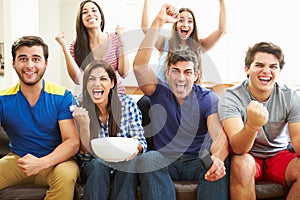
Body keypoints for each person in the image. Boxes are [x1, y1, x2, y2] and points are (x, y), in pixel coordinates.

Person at [133, 4, 229, 200]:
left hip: (196, 160)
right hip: (165, 160)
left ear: (196, 75)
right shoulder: (158, 92)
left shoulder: (207, 98)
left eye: (187, 72)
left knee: (219, 165)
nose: (180, 78)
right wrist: (159, 21)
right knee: (149, 158)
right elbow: (140, 66)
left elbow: (219, 137)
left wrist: (217, 159)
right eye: (175, 71)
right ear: (167, 73)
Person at [72, 60, 175, 200]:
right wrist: (84, 126)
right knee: (98, 165)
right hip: (95, 165)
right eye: (91, 79)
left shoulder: (126, 104)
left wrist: (135, 147)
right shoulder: (79, 107)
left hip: (125, 163)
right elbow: (85, 157)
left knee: (130, 162)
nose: (97, 84)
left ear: (112, 83)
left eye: (103, 79)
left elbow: (141, 143)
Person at [0, 36, 80, 200]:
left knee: (66, 176)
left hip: (58, 162)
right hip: (19, 160)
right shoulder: (3, 99)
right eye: (23, 59)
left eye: (36, 59)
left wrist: (42, 163)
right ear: (13, 63)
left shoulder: (62, 96)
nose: (29, 65)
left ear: (46, 63)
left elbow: (72, 142)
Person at [218, 42, 300, 199]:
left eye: (273, 67)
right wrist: (252, 125)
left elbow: (297, 141)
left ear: (279, 71)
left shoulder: (290, 96)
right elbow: (238, 148)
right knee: (241, 164)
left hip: (278, 155)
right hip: (248, 156)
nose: (266, 71)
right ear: (247, 69)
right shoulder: (231, 97)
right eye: (259, 65)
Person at [141, 0, 227, 83]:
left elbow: (222, 31)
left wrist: (222, 1)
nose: (185, 24)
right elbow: (146, 30)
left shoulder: (198, 46)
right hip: (161, 94)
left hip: (185, 95)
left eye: (190, 21)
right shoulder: (165, 43)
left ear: (194, 26)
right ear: (175, 24)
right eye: (181, 20)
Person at [55, 0, 130, 94]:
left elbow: (124, 73)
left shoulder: (115, 39)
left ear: (101, 17)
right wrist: (64, 47)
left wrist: (122, 41)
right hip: (91, 98)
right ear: (81, 20)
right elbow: (78, 80)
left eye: (94, 10)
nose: (90, 14)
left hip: (116, 95)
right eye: (85, 12)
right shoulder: (75, 47)